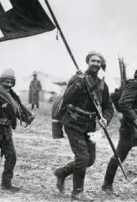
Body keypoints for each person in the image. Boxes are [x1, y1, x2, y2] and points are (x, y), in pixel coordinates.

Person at [54, 51, 114, 201]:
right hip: (73, 122)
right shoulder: (77, 78)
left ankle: (62, 172)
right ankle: (77, 192)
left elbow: (108, 107)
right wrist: (79, 83)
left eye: (98, 62)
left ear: (101, 65)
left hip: (90, 126)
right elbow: (67, 98)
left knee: (90, 160)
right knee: (82, 156)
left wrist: (105, 119)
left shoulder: (102, 84)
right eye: (92, 61)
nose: (95, 63)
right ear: (88, 62)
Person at [102, 70, 137, 194]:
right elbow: (123, 103)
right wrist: (135, 119)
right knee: (119, 156)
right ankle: (107, 184)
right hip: (130, 127)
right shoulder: (135, 84)